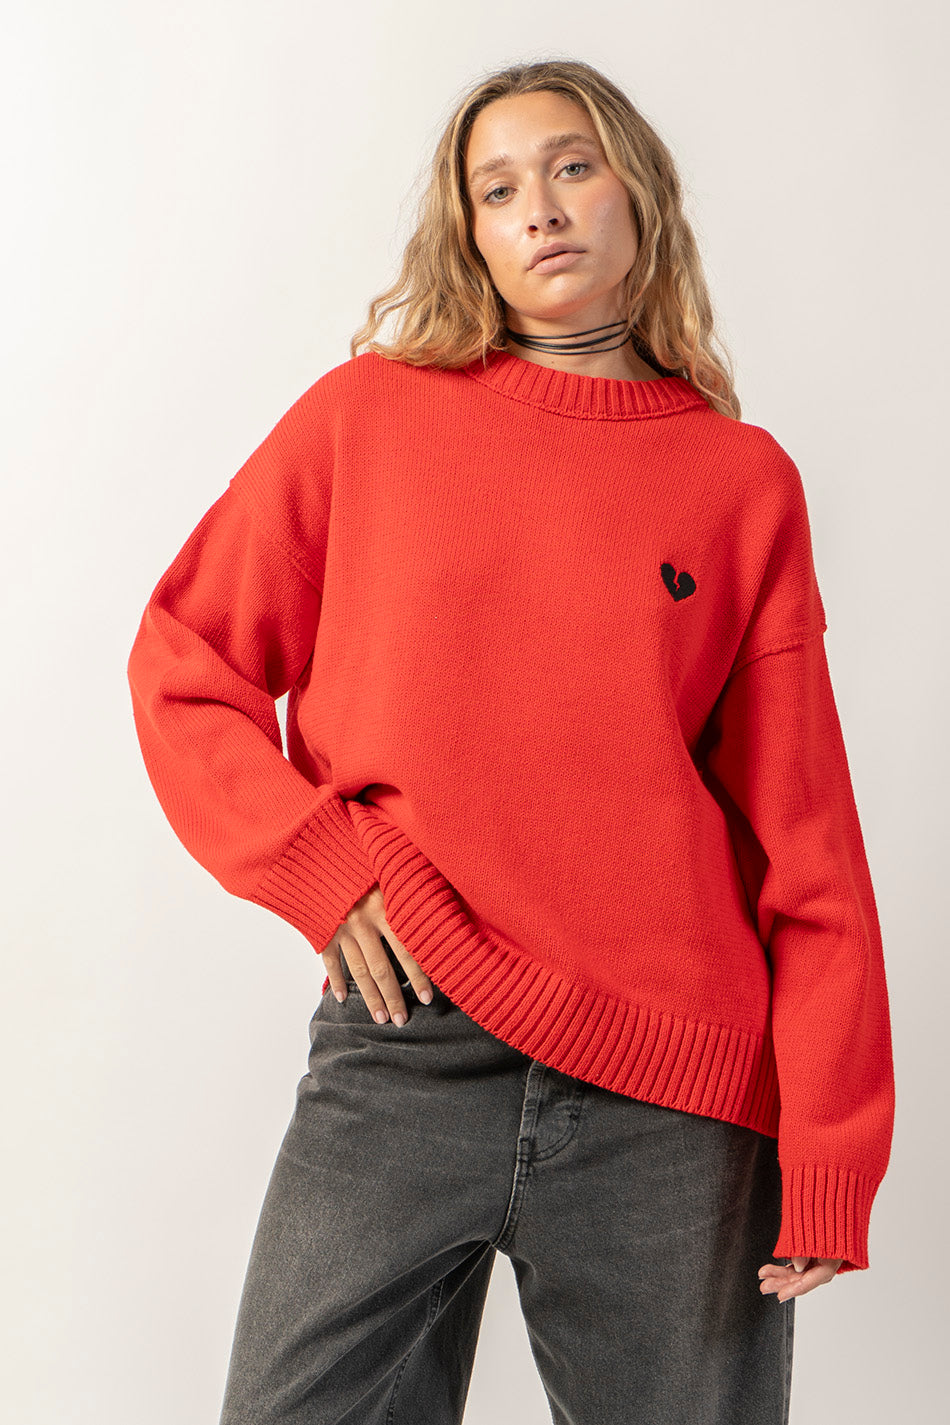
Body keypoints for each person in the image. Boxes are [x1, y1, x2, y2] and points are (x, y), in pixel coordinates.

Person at [127, 58, 895, 1425]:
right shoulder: (365, 418)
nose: (538, 206)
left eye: (570, 166)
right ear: (468, 235)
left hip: (672, 1093)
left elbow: (805, 837)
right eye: (496, 188)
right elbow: (187, 663)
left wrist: (832, 1147)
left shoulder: (739, 482)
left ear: (637, 194)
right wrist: (322, 867)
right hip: (405, 1033)